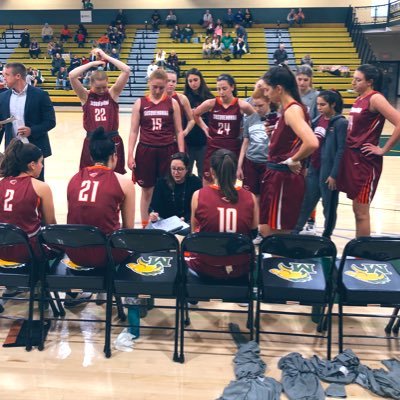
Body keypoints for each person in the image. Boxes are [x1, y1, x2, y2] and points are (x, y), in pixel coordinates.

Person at [336, 64, 400, 237]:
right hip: (352, 159)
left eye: (358, 80)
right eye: (354, 78)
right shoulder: (359, 98)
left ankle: (362, 254)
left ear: (370, 82)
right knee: (357, 210)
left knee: (362, 213)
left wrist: (383, 149)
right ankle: (360, 249)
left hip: (366, 162)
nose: (353, 82)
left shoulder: (375, 98)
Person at [259, 65, 319, 237]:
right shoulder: (288, 109)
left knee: (277, 233)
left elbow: (312, 142)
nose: (266, 94)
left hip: (283, 179)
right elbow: (294, 141)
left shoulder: (293, 109)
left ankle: (282, 263)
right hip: (276, 176)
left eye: (268, 90)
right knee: (265, 229)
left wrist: (294, 159)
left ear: (279, 88)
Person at [67, 126, 135, 268]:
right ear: (114, 156)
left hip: (74, 253)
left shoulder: (74, 178)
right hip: (107, 254)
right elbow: (129, 229)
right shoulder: (124, 182)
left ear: (91, 157)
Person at [187, 149, 258, 280]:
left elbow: (194, 235)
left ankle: (193, 294)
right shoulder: (250, 198)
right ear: (235, 171)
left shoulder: (199, 195)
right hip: (240, 269)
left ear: (212, 171)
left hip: (205, 268)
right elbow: (253, 233)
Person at [128, 69, 184, 228]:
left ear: (167, 84)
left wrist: (181, 154)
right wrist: (130, 155)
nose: (158, 91)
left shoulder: (172, 103)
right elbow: (133, 131)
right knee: (146, 190)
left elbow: (179, 131)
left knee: (168, 188)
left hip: (168, 150)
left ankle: (166, 224)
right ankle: (146, 225)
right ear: (149, 84)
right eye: (155, 87)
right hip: (146, 150)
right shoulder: (140, 103)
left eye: (161, 87)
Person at [293, 90, 347, 239]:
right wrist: (307, 165)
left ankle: (327, 236)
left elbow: (341, 151)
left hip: (328, 172)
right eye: (318, 104)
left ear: (333, 104)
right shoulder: (317, 120)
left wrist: (334, 174)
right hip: (314, 169)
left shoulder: (341, 122)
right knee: (306, 202)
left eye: (323, 104)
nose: (320, 107)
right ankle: (295, 231)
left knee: (328, 206)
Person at [69, 48, 130, 174]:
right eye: (98, 88)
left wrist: (106, 57)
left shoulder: (112, 94)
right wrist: (92, 64)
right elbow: (72, 75)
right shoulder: (85, 96)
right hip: (92, 141)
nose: (102, 90)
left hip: (112, 139)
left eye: (104, 87)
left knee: (116, 176)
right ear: (90, 84)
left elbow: (126, 70)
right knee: (89, 175)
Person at [0, 140, 56, 266]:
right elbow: (50, 224)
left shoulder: (1, 183)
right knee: (57, 252)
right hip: (27, 251)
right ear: (32, 165)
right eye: (41, 162)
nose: (42, 166)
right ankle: (41, 282)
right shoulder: (41, 187)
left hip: (2, 248)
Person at [194, 74, 255, 184]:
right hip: (214, 145)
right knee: (208, 179)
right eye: (218, 89)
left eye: (224, 88)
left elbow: (255, 119)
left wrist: (244, 131)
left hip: (232, 146)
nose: (221, 92)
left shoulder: (242, 105)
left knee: (229, 179)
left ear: (232, 87)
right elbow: (196, 114)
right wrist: (204, 128)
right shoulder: (211, 103)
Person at [0, 63, 56, 181]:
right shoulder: (3, 97)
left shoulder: (40, 95)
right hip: (12, 150)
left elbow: (50, 121)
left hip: (35, 148)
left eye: (6, 75)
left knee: (36, 184)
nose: (3, 77)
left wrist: (32, 130)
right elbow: (2, 125)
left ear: (18, 76)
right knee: (13, 184)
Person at [149, 152, 202, 234]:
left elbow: (198, 208)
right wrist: (153, 214)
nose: (176, 173)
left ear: (187, 169)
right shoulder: (162, 183)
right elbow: (153, 206)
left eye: (180, 169)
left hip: (187, 222)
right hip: (165, 223)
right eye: (173, 168)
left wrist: (186, 218)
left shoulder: (195, 182)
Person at [184, 68, 214, 177]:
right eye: (190, 81)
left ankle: (202, 194)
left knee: (204, 174)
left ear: (201, 80)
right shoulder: (184, 98)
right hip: (188, 142)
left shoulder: (209, 98)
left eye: (195, 80)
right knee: (186, 173)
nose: (193, 83)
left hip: (204, 143)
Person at [166, 70, 195, 138]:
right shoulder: (157, 99)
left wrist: (184, 132)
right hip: (161, 139)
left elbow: (191, 120)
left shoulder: (182, 99)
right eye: (168, 81)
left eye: (173, 81)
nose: (171, 84)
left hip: (177, 140)